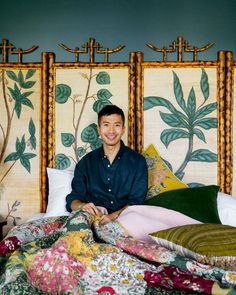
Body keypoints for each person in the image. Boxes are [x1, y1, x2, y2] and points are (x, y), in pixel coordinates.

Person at [66, 105, 148, 224]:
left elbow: (136, 202)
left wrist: (112, 217)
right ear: (99, 129)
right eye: (106, 125)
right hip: (92, 220)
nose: (111, 131)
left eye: (117, 125)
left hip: (126, 220)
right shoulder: (85, 163)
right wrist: (82, 206)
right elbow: (73, 199)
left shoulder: (138, 162)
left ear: (123, 129)